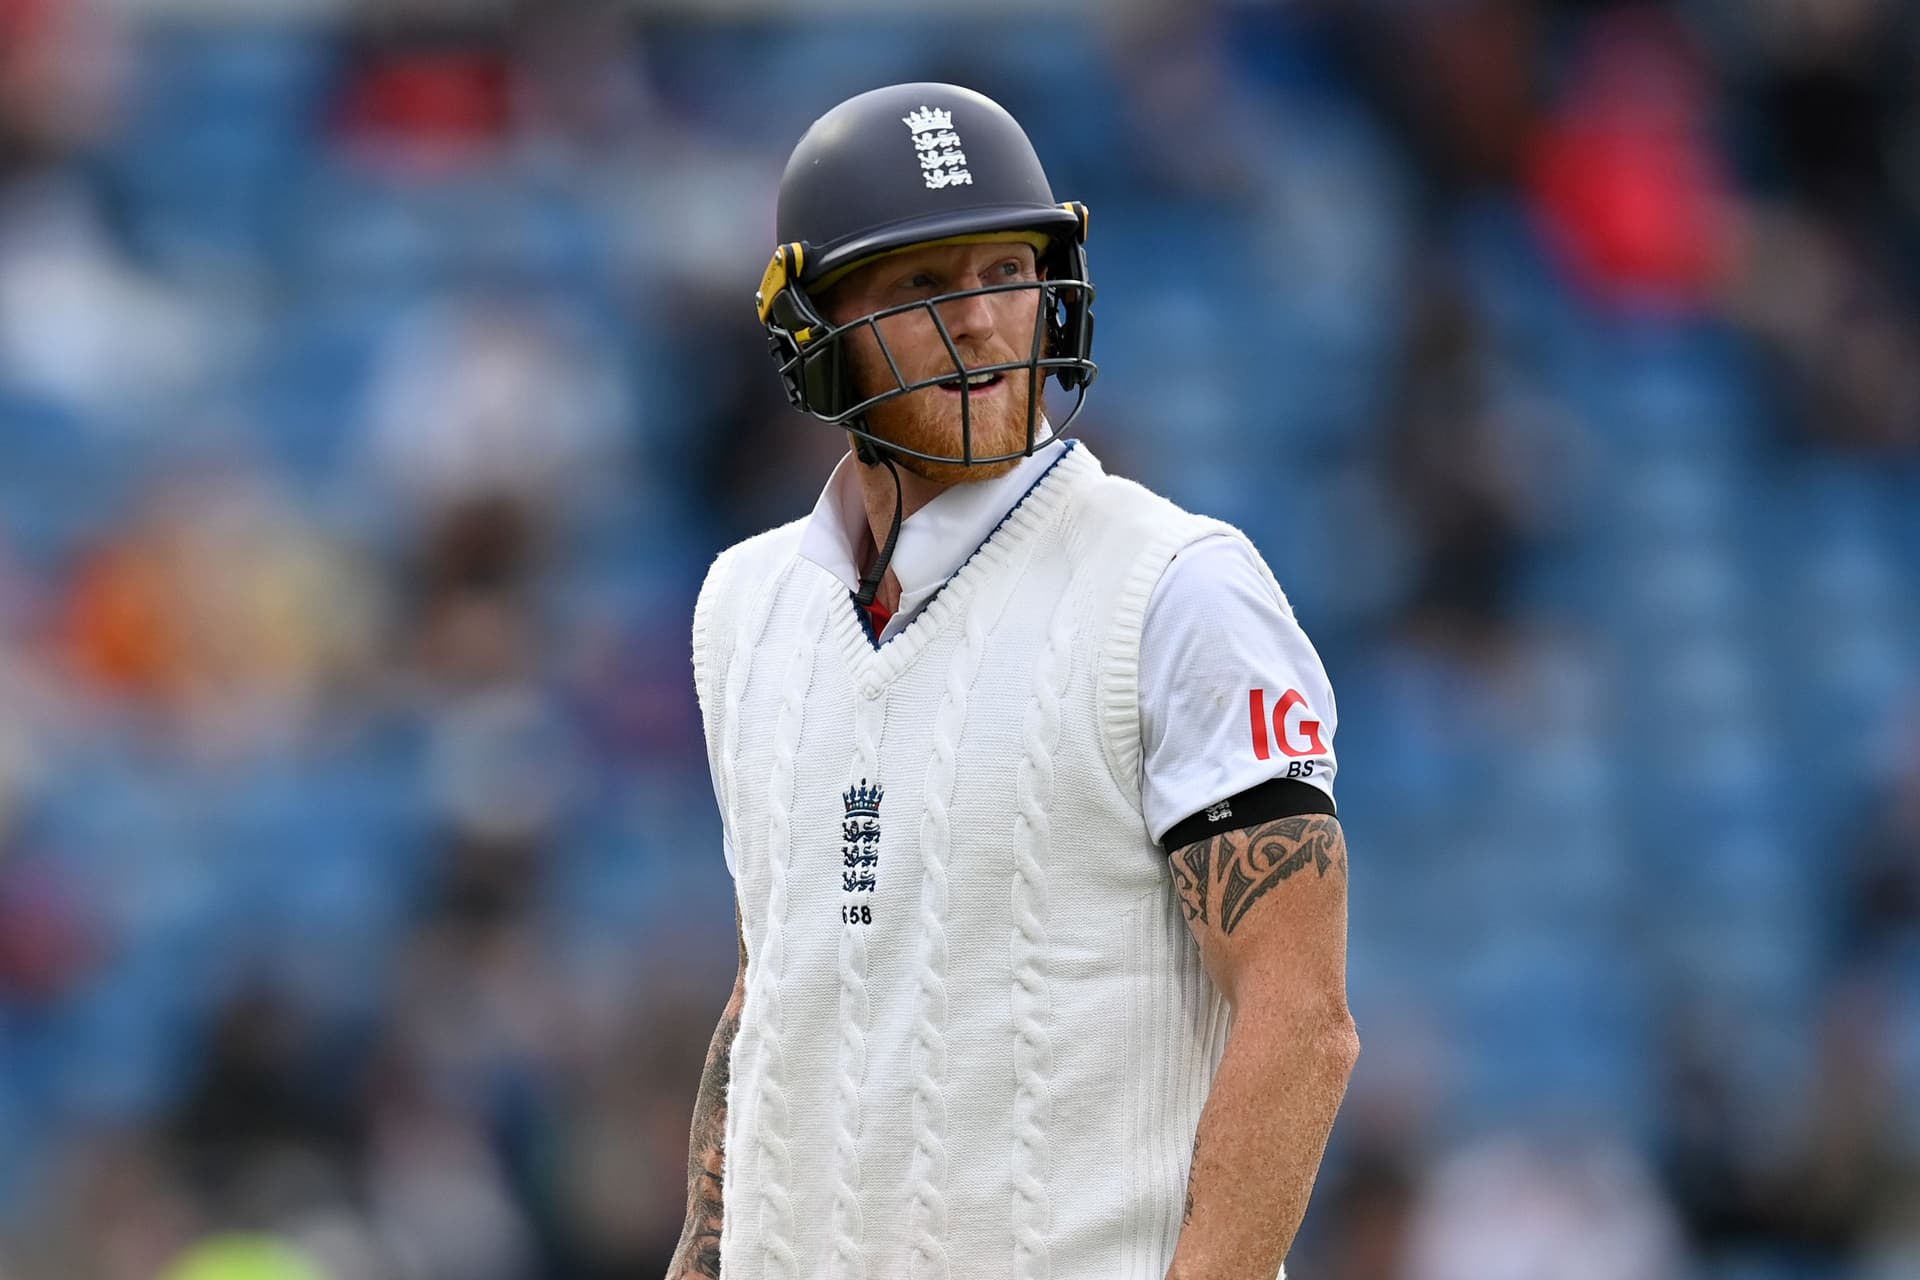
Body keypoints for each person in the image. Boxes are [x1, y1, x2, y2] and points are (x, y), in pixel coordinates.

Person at [672, 82, 1357, 1280]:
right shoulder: (743, 604)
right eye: (922, 288)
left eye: (1004, 272)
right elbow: (770, 984)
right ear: (816, 329)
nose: (982, 325)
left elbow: (1301, 1021)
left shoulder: (1180, 588)